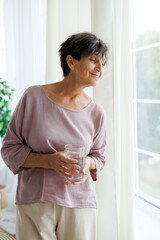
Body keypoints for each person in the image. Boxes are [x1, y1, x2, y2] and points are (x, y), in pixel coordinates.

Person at [1, 32, 108, 240]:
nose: (100, 69)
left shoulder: (97, 113)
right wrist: (48, 161)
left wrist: (87, 162)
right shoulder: (33, 97)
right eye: (93, 60)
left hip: (80, 204)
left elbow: (99, 158)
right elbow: (9, 149)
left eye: (102, 63)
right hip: (35, 201)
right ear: (71, 61)